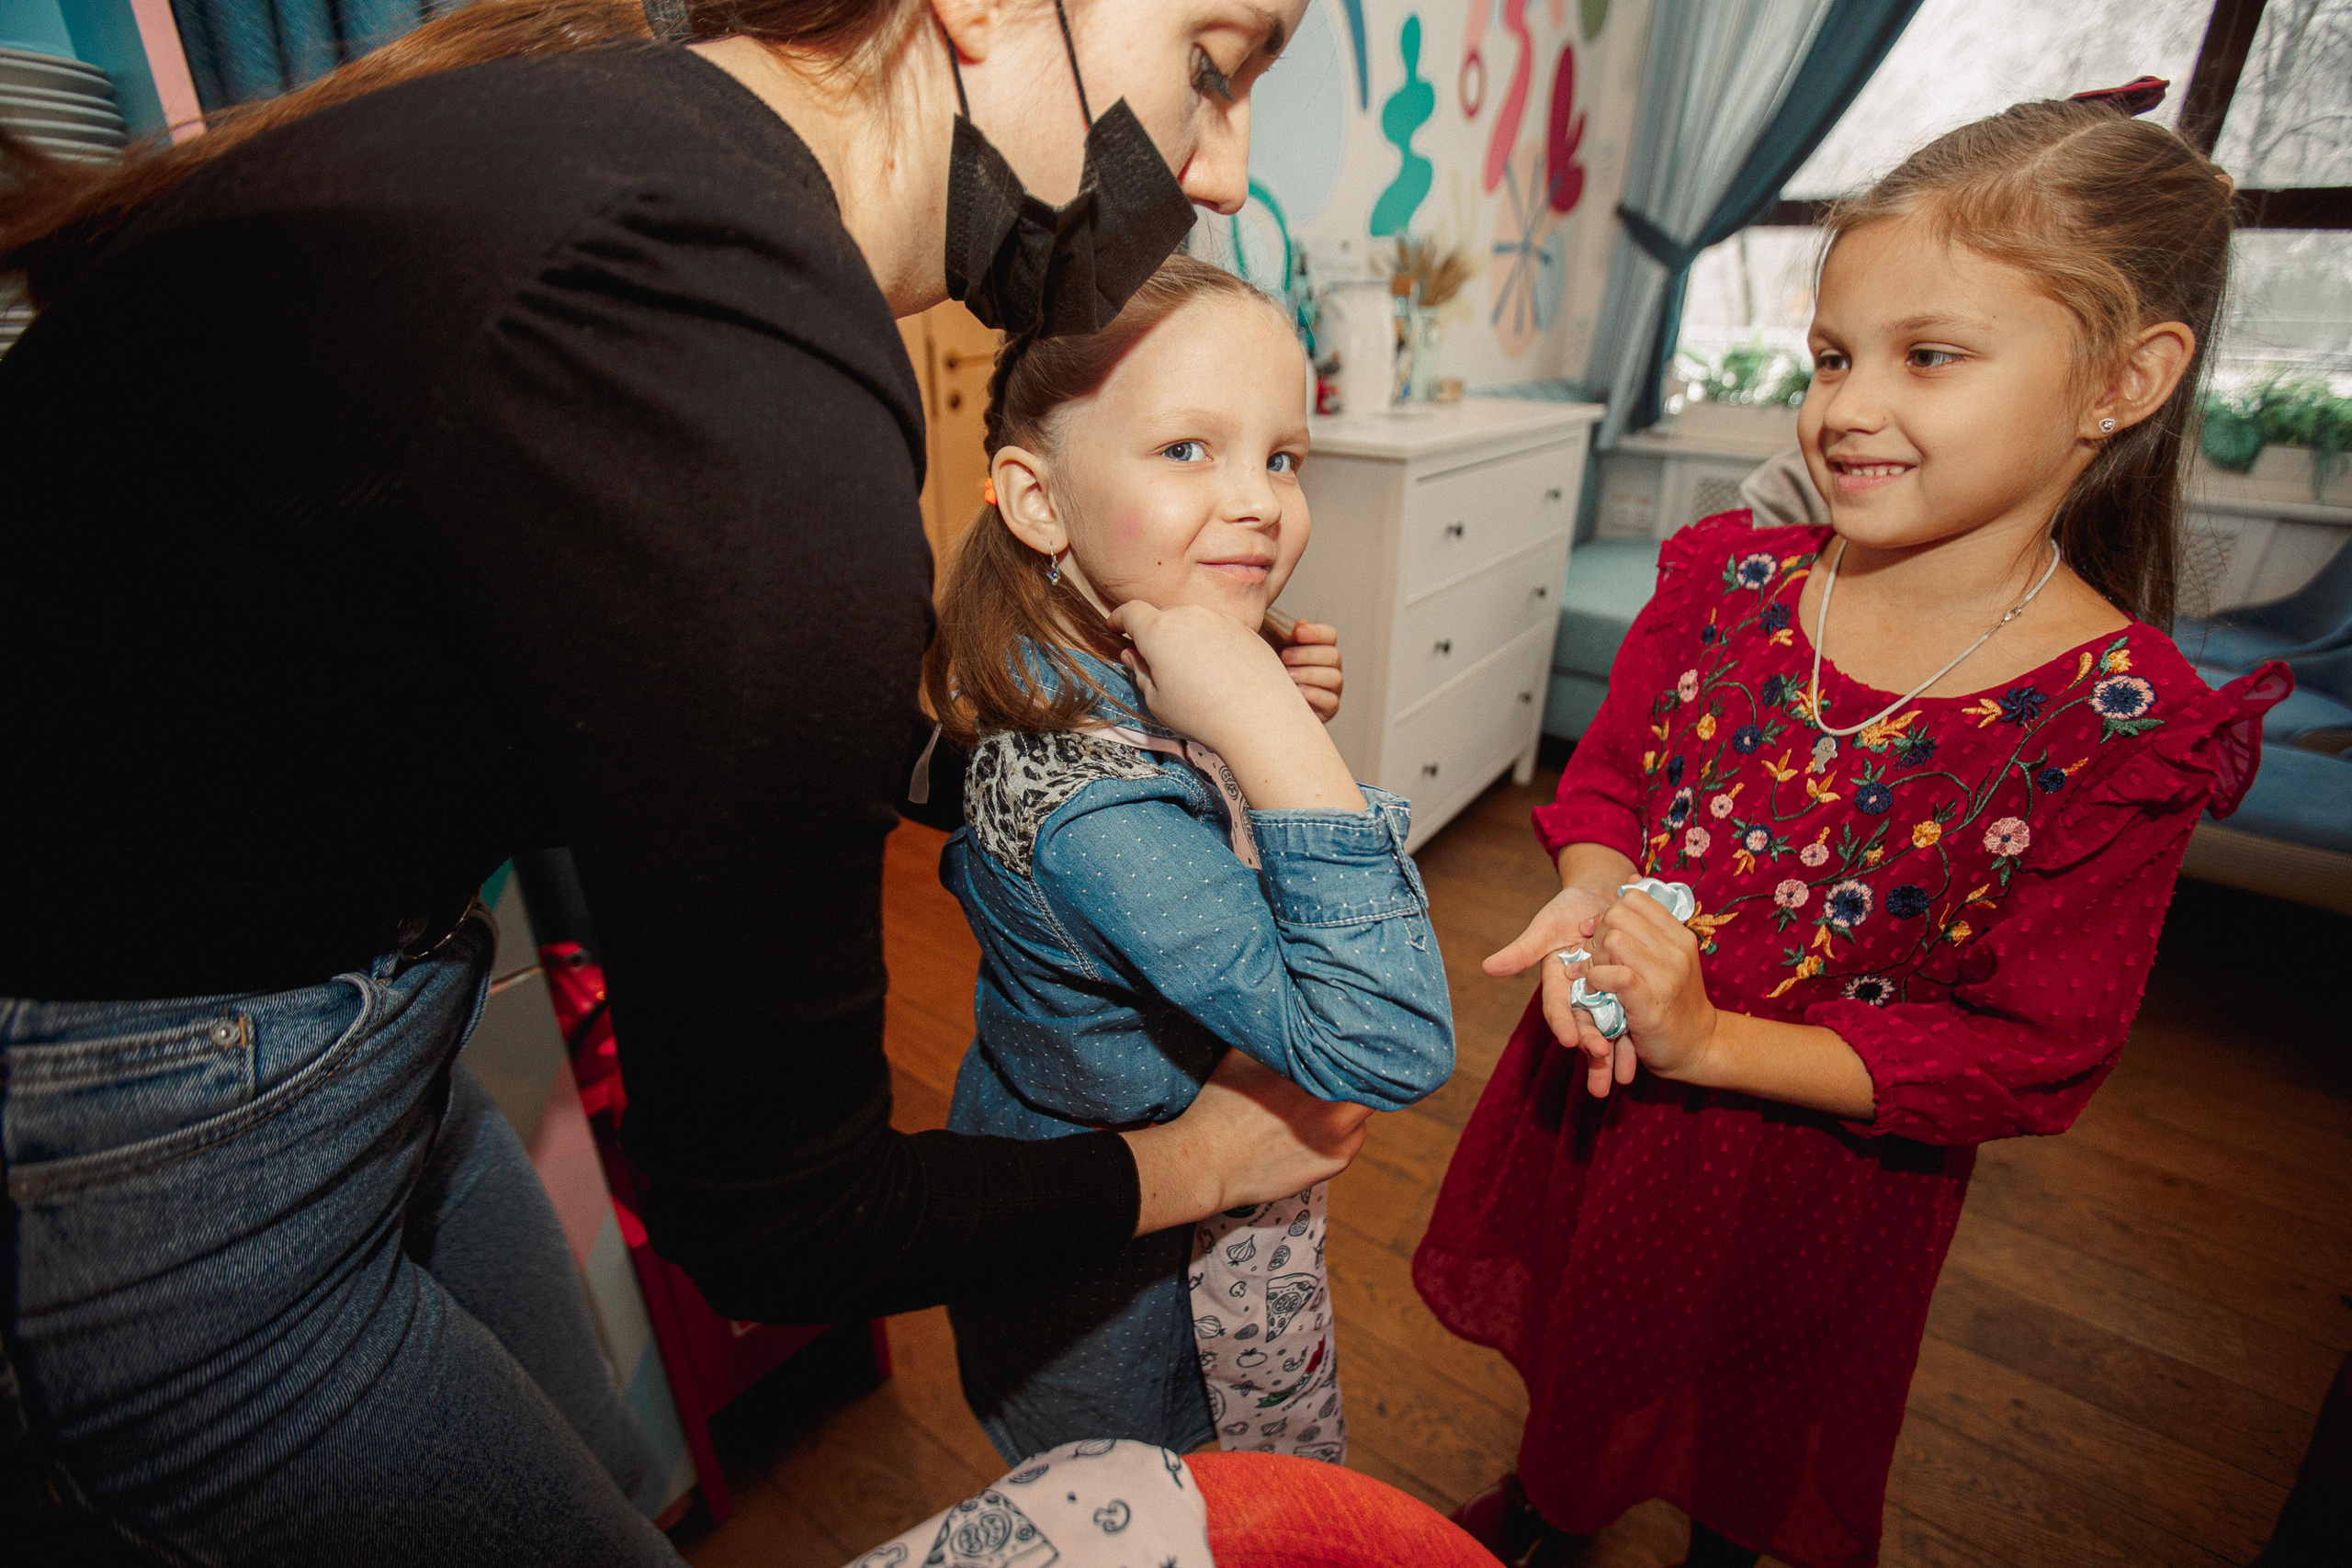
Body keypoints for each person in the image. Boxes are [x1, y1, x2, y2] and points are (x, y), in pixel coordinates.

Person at [0, 2, 1394, 1562]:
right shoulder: (733, 356)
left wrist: (1053, 758)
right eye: (1213, 68)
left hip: (362, 1029)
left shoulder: (644, 155)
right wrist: (1198, 1160)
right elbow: (780, 1223)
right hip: (155, 1145)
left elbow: (695, 689)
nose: (1219, 169)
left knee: (591, 1468)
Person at [1414, 86, 2292, 1568]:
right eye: (1831, 356)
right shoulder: (1722, 585)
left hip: (1820, 1186)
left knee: (1754, 1422)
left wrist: (1715, 1046)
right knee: (1589, 1358)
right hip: (1612, 1113)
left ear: (2121, 382)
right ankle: (1552, 1523)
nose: (1843, 407)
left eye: (1927, 357)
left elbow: (2032, 1049)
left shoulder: (2119, 727)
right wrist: (1599, 884)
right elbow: (1615, 779)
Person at [919, 254, 1453, 1462]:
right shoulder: (1102, 819)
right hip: (1120, 1295)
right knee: (1155, 1511)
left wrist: (1243, 707)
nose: (1263, 501)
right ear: (1039, 499)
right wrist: (1265, 731)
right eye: (1187, 451)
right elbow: (1388, 1040)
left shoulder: (1098, 658)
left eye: (1281, 457)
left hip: (1101, 1180)